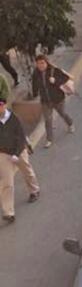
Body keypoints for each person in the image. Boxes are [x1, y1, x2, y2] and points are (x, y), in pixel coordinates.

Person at [0, 96, 40, 224]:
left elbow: (21, 136)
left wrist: (16, 154)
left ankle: (34, 190)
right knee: (7, 182)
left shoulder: (14, 118)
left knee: (26, 170)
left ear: (4, 106)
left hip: (19, 150)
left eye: (0, 105)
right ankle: (8, 212)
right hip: (3, 153)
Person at [30, 54, 75, 149]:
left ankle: (70, 123)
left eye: (42, 63)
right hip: (45, 101)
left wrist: (55, 81)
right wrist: (34, 93)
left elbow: (66, 79)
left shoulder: (54, 70)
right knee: (47, 120)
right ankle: (49, 139)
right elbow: (34, 83)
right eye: (38, 63)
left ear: (46, 62)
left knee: (62, 113)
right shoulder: (36, 73)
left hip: (57, 99)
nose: (40, 65)